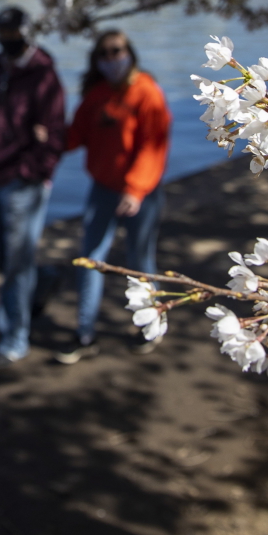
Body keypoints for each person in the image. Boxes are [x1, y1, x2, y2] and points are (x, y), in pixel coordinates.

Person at [55, 30, 172, 364]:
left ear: (129, 52)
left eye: (117, 51)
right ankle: (85, 333)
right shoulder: (98, 94)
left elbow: (154, 147)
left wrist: (135, 189)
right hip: (102, 191)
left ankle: (151, 322)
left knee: (140, 261)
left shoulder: (147, 92)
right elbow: (76, 134)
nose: (111, 58)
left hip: (141, 195)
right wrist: (47, 138)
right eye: (104, 53)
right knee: (90, 259)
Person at [0, 6, 66, 365]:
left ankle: (13, 338)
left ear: (27, 34)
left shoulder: (44, 76)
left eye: (13, 33)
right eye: (2, 33)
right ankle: (43, 279)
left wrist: (32, 171)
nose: (7, 40)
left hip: (23, 183)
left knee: (15, 265)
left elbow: (54, 136)